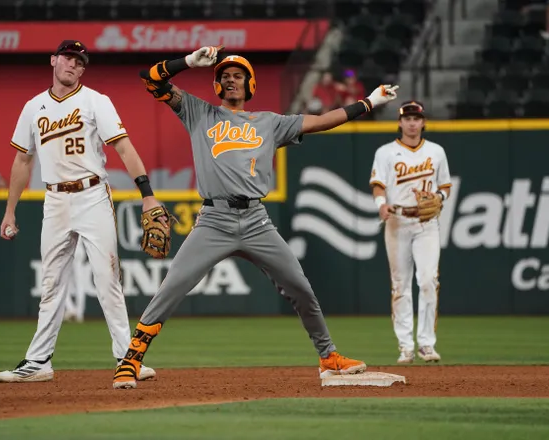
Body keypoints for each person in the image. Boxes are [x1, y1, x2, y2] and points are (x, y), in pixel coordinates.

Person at [111, 46, 399, 389]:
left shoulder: (270, 123)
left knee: (300, 287)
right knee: (172, 286)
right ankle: (131, 359)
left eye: (238, 76)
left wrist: (367, 102)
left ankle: (328, 358)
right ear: (217, 86)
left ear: (250, 84)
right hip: (214, 219)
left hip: (256, 220)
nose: (231, 80)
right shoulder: (199, 112)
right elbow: (152, 80)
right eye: (225, 77)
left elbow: (323, 121)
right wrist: (188, 62)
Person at [0, 40, 160, 387]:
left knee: (107, 278)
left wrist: (147, 195)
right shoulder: (33, 107)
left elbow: (124, 147)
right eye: (68, 58)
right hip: (54, 200)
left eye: (80, 62)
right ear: (53, 59)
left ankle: (128, 359)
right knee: (52, 283)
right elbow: (22, 161)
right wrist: (10, 211)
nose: (74, 65)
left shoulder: (96, 101)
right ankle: (39, 361)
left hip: (92, 194)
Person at [369, 101, 452, 364]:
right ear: (400, 122)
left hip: (426, 223)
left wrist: (438, 195)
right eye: (408, 118)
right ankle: (406, 346)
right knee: (400, 286)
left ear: (423, 122)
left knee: (428, 280)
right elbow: (378, 185)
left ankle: (426, 344)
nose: (412, 123)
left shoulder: (436, 151)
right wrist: (381, 206)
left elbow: (446, 186)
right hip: (398, 221)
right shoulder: (385, 153)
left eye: (417, 118)